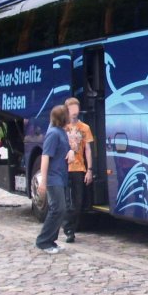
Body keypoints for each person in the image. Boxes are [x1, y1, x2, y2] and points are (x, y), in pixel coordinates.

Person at [35, 105, 73, 254]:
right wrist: (43, 181)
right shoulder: (53, 134)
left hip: (61, 175)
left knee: (60, 209)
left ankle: (51, 240)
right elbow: (45, 157)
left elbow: (65, 149)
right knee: (58, 208)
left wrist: (70, 152)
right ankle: (43, 241)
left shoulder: (61, 132)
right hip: (53, 177)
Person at [63, 97, 94, 243]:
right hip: (63, 167)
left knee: (78, 201)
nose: (74, 113)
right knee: (67, 201)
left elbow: (88, 149)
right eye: (71, 110)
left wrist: (90, 169)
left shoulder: (85, 128)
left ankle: (71, 226)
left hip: (79, 167)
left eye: (76, 109)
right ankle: (69, 230)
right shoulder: (62, 127)